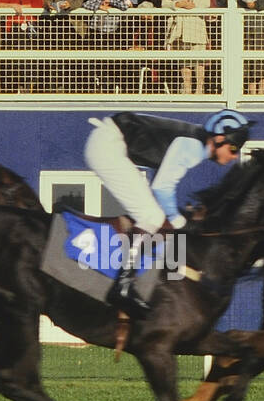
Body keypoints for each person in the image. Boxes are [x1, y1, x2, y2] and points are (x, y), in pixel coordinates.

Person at [83, 109, 253, 315]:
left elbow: (160, 186)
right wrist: (180, 222)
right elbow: (162, 188)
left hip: (110, 140)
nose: (234, 156)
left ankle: (128, 280)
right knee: (151, 215)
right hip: (107, 144)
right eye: (234, 148)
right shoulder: (192, 146)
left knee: (152, 214)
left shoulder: (195, 145)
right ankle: (123, 285)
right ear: (218, 139)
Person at [162, 0, 210, 94]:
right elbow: (165, 3)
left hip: (196, 24)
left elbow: (206, 1)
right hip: (179, 28)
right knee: (184, 61)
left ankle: (200, 90)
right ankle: (187, 88)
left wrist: (194, 6)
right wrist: (178, 5)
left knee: (199, 61)